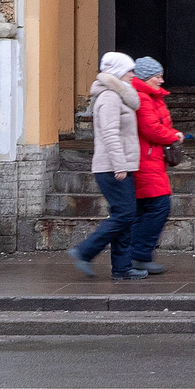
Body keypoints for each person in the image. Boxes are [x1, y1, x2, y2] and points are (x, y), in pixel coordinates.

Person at [69, 52, 142, 278]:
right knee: (125, 214)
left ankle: (122, 268)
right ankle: (84, 251)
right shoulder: (110, 97)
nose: (132, 75)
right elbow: (110, 134)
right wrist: (120, 165)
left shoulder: (118, 96)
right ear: (119, 72)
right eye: (129, 70)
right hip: (111, 167)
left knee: (125, 214)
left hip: (120, 165)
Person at [126, 56, 185, 278]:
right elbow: (151, 129)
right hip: (146, 160)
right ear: (145, 78)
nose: (161, 81)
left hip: (150, 159)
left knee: (144, 210)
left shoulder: (148, 96)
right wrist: (174, 135)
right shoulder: (143, 98)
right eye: (157, 77)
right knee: (160, 206)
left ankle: (140, 257)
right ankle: (139, 255)